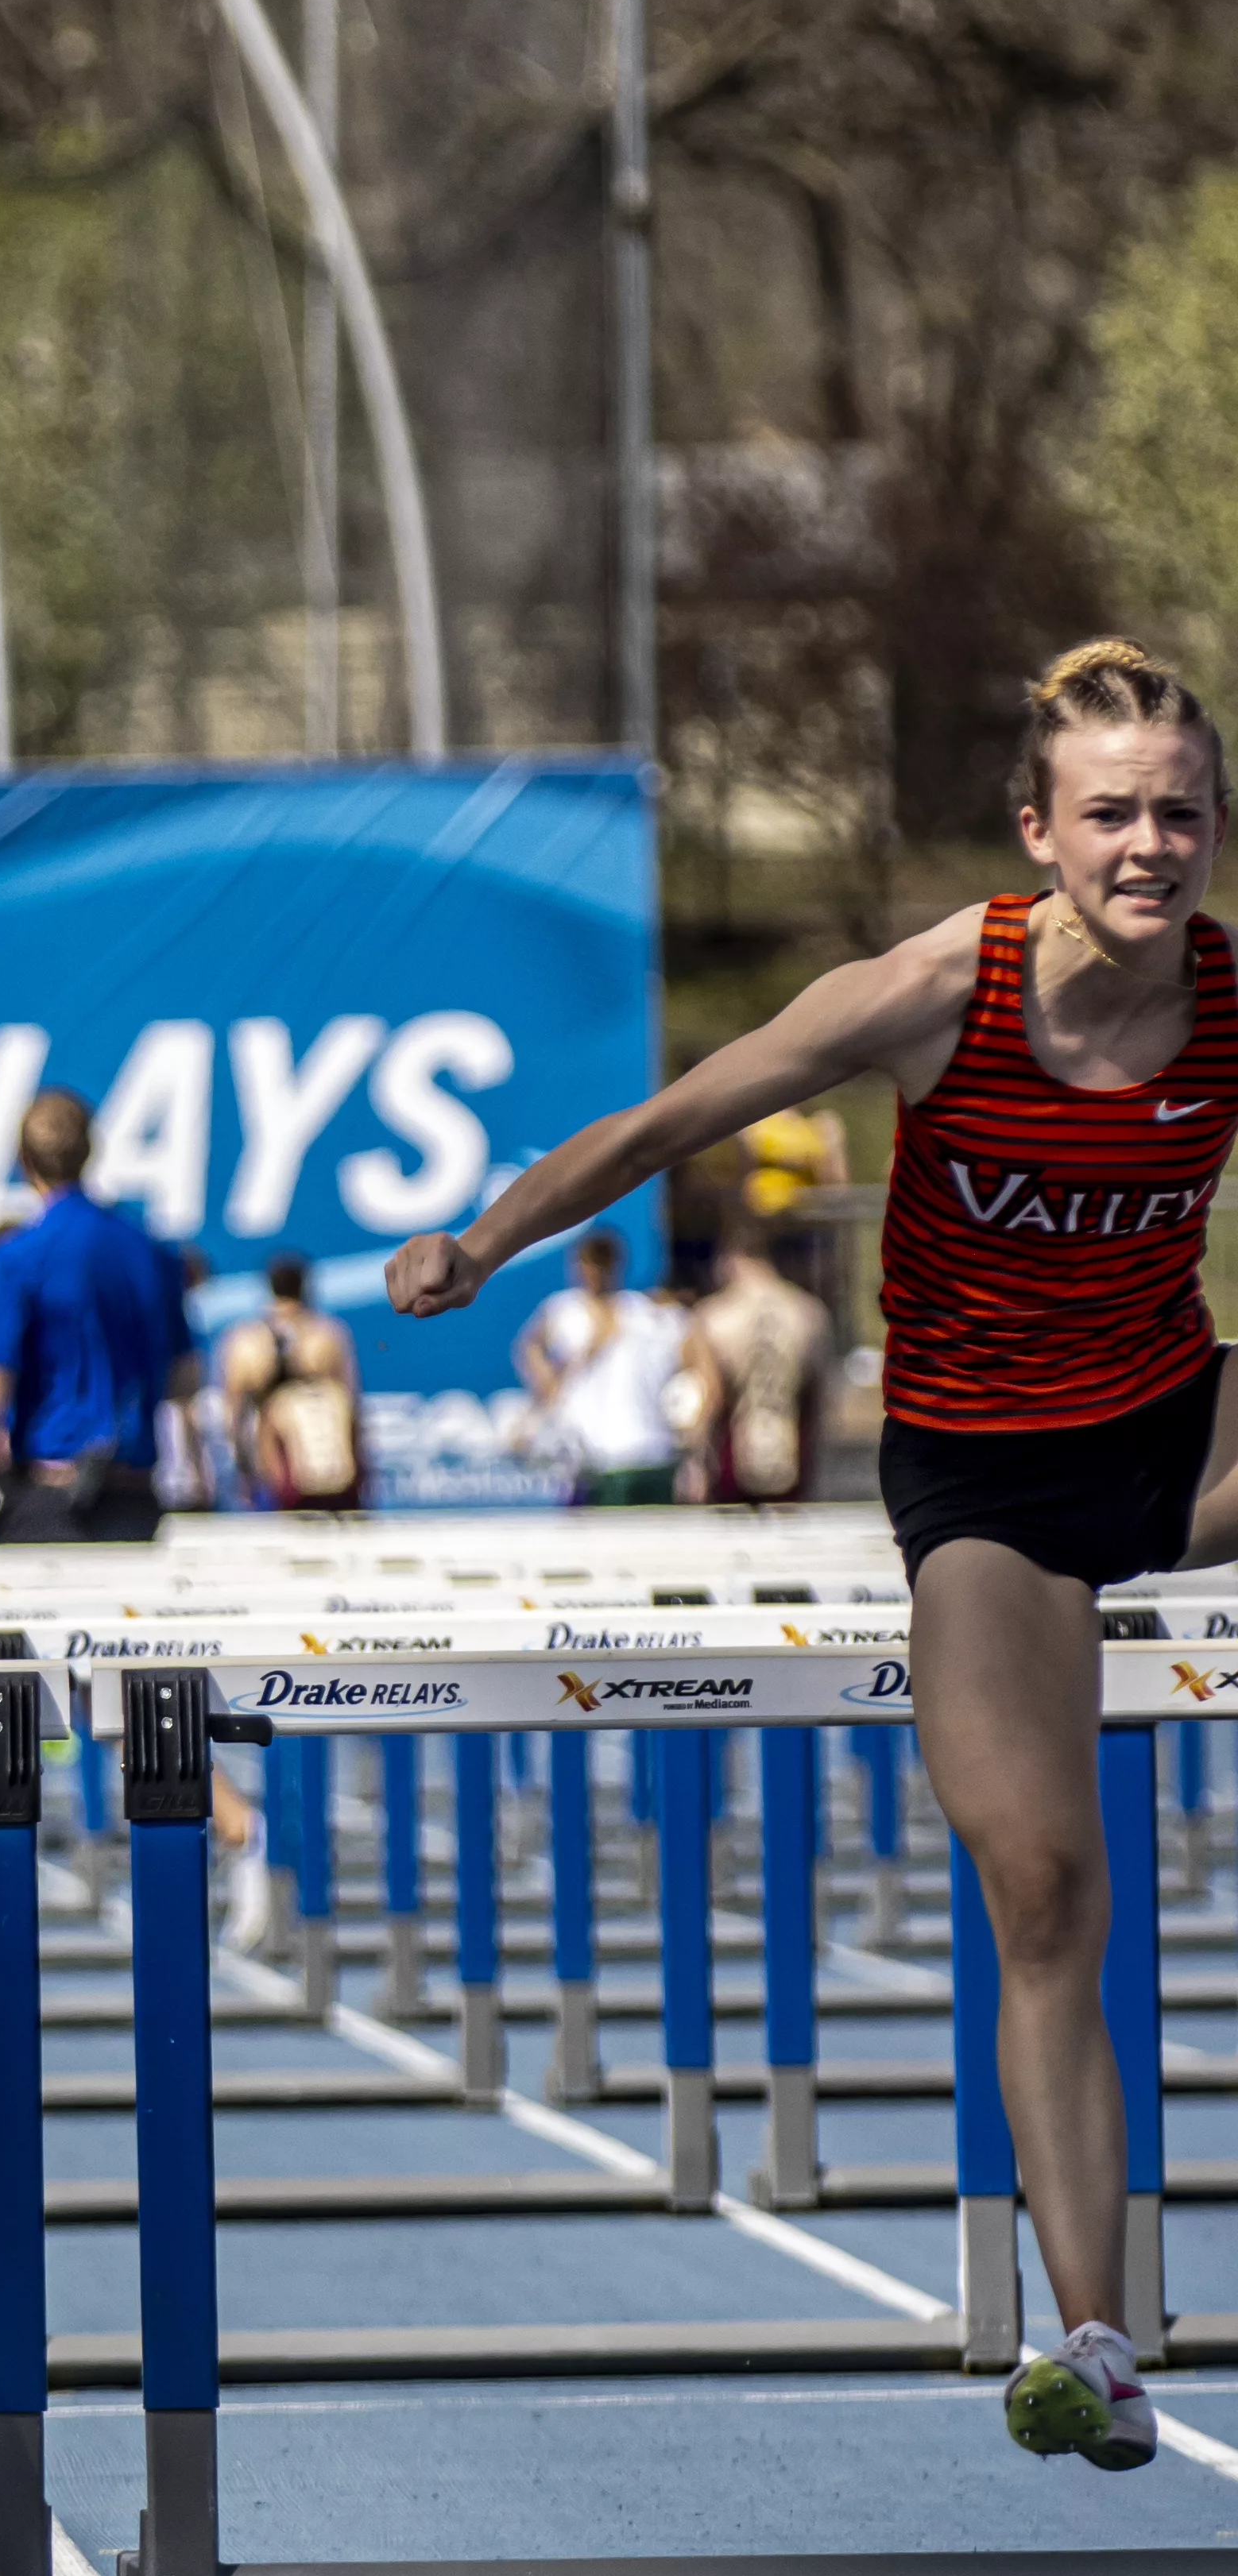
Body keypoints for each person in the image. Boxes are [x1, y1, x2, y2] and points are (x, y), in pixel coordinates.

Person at [389, 636, 1238, 2477]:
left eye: (1177, 813)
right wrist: (481, 1242)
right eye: (1108, 815)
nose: (1146, 846)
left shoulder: (1229, 998)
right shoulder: (938, 987)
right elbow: (662, 1120)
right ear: (1037, 830)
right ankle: (1093, 2339)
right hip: (989, 1487)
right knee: (1040, 1889)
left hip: (1179, 1437)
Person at [0, 1088, 199, 1541]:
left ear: (22, 1159)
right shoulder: (153, 1251)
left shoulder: (16, 1257)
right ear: (91, 1151)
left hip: (51, 1498)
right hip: (135, 1495)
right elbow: (184, 1380)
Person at [516, 1225, 702, 1506]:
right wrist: (549, 1387)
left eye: (600, 1263)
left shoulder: (644, 1312)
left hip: (646, 1448)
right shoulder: (565, 1310)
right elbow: (529, 1346)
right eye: (587, 1263)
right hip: (591, 1456)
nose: (593, 1272)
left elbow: (695, 1354)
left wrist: (692, 1430)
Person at [691, 1220, 838, 1507]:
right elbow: (819, 1397)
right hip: (792, 1454)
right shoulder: (809, 1312)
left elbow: (711, 1395)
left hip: (733, 1459)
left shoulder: (713, 1316)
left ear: (730, 1259)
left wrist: (696, 1462)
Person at [222, 1251, 366, 1514]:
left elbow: (232, 1414)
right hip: (326, 1463)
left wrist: (244, 1472)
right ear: (305, 1287)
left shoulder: (246, 1342)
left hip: (275, 1464)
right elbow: (350, 1404)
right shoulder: (327, 1335)